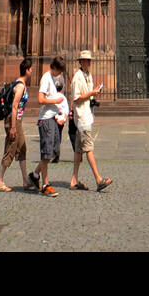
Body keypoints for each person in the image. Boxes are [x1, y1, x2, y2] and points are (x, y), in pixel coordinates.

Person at [69, 50, 112, 191]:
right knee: (89, 148)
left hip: (86, 115)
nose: (88, 63)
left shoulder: (88, 75)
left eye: (89, 60)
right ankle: (99, 180)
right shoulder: (77, 77)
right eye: (85, 60)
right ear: (80, 62)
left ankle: (74, 180)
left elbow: (86, 95)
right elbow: (76, 98)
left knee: (78, 150)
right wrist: (91, 93)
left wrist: (94, 93)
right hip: (81, 118)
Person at [28, 57, 67, 195]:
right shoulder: (46, 77)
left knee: (53, 151)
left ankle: (34, 175)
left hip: (53, 118)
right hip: (46, 120)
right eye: (60, 71)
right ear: (55, 68)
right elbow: (40, 99)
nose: (60, 74)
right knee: (47, 153)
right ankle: (46, 185)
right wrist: (55, 100)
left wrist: (59, 109)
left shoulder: (53, 78)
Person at [0, 58, 34, 191]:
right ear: (27, 70)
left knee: (22, 148)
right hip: (13, 121)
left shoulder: (21, 84)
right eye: (31, 69)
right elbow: (14, 106)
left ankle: (25, 181)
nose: (32, 71)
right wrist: (12, 127)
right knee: (10, 148)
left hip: (17, 121)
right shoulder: (20, 86)